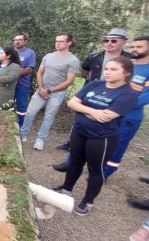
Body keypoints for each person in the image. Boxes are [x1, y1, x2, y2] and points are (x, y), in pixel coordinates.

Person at [53, 36, 149, 182]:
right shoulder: (126, 64)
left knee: (116, 146)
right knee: (83, 135)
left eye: (139, 47)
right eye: (133, 47)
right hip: (103, 109)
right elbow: (105, 85)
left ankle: (103, 173)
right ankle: (70, 163)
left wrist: (116, 105)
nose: (134, 49)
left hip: (128, 117)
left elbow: (144, 97)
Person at [52, 57, 137, 216]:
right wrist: (94, 112)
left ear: (126, 73)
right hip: (79, 131)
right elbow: (72, 103)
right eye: (106, 69)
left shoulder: (128, 94)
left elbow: (108, 116)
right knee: (74, 162)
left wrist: (82, 109)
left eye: (113, 69)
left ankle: (88, 201)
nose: (107, 72)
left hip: (102, 137)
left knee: (95, 170)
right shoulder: (95, 84)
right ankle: (66, 189)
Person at [56, 27, 131, 151]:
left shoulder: (130, 59)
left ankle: (102, 148)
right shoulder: (94, 56)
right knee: (80, 119)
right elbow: (85, 71)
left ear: (123, 42)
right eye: (106, 40)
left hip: (115, 95)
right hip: (91, 93)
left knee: (107, 120)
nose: (109, 43)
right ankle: (72, 144)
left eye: (114, 41)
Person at [20, 33, 80, 150]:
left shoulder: (73, 60)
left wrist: (49, 90)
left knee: (49, 116)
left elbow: (69, 81)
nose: (58, 43)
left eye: (61, 41)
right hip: (41, 90)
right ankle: (22, 134)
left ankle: (40, 139)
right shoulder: (48, 56)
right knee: (30, 112)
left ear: (69, 43)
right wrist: (41, 88)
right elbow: (40, 72)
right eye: (56, 41)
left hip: (57, 93)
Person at [13, 33, 37, 127]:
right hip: (9, 84)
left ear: (25, 41)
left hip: (22, 84)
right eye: (15, 40)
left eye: (20, 40)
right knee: (8, 105)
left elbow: (29, 69)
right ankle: (9, 124)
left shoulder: (30, 53)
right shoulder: (11, 52)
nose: (17, 42)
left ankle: (21, 127)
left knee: (21, 107)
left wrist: (12, 74)